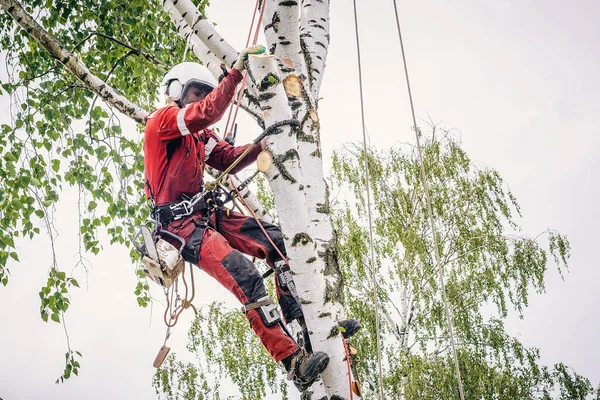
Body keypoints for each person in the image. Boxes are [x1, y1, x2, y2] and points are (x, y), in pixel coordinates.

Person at [143, 46, 329, 391]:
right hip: (181, 228)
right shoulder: (163, 121)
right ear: (176, 92)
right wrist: (236, 74)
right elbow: (206, 113)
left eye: (204, 93)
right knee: (245, 277)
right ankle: (293, 362)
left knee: (278, 242)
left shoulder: (199, 137)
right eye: (196, 93)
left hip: (206, 215)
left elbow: (228, 156)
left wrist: (265, 141)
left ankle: (309, 326)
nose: (202, 99)